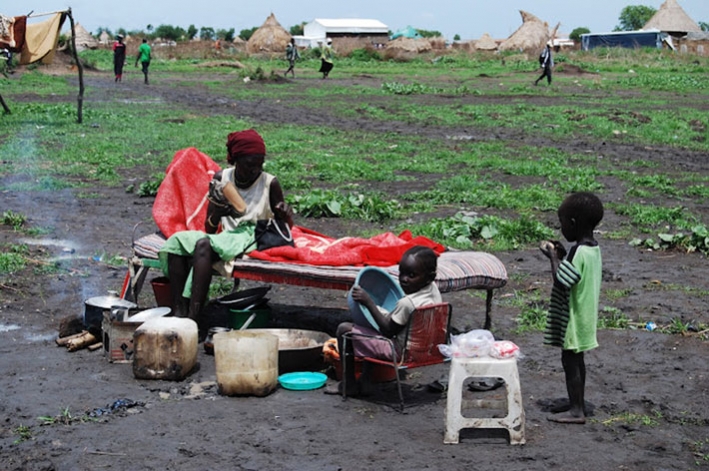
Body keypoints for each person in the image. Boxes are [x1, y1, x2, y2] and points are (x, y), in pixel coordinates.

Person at [159, 129, 293, 334]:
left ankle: (193, 320)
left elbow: (286, 227)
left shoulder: (269, 183)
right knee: (177, 241)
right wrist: (218, 213)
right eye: (250, 164)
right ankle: (179, 310)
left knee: (203, 245)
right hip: (228, 237)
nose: (256, 169)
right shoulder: (223, 178)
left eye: (260, 164)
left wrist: (286, 213)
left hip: (255, 234)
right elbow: (209, 227)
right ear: (236, 160)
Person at [326, 246, 442, 396]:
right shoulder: (434, 290)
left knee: (344, 329)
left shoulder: (407, 303)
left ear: (429, 277)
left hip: (400, 352)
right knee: (369, 326)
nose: (403, 279)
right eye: (402, 273)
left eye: (411, 275)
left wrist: (368, 302)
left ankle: (348, 384)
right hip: (426, 349)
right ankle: (366, 380)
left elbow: (387, 331)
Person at [540, 191, 604, 424]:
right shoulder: (592, 248)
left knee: (570, 361)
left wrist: (552, 257)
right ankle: (576, 401)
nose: (562, 227)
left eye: (563, 222)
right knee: (577, 361)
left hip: (573, 318)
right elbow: (576, 272)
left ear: (573, 223)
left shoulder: (579, 250)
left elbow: (562, 279)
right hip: (585, 315)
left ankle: (576, 410)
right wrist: (562, 255)